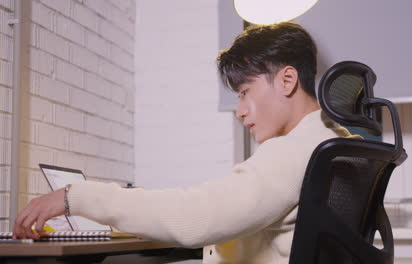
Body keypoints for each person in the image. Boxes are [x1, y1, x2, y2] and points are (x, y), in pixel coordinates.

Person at [13, 22, 356, 263]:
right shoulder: (335, 144)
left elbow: (196, 219)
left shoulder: (295, 151)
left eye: (245, 92)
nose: (239, 111)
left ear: (287, 80)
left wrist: (77, 196)